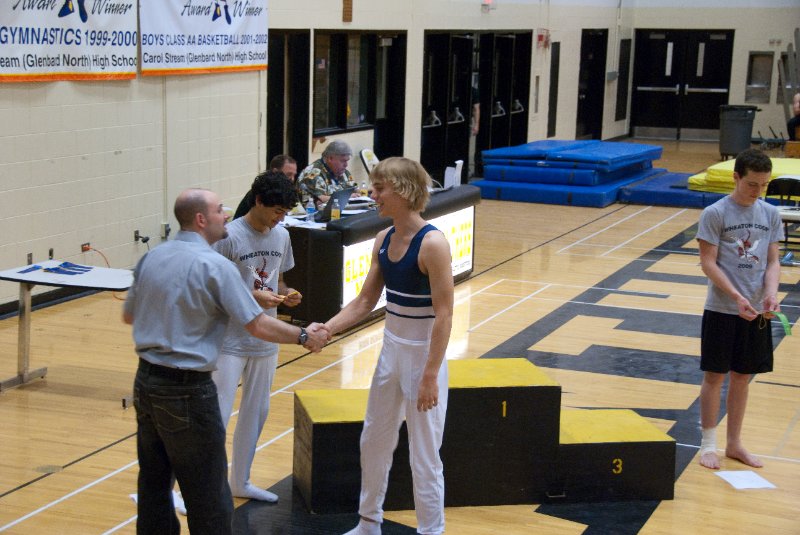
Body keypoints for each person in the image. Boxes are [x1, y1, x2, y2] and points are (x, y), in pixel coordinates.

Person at [123, 188, 328, 534]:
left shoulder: (152, 257)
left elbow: (130, 315)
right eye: (220, 210)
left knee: (154, 483)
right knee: (210, 493)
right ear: (201, 220)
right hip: (187, 388)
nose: (227, 214)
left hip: (146, 384)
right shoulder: (215, 265)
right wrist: (305, 336)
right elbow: (258, 323)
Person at [324, 157, 454, 535]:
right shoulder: (383, 239)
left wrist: (430, 374)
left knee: (425, 456)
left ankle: (432, 531)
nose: (372, 194)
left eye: (380, 188)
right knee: (373, 440)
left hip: (422, 358)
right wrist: (325, 329)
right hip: (390, 352)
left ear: (405, 190)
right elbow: (364, 302)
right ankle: (368, 523)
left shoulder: (433, 244)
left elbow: (445, 316)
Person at [212, 172, 301, 504]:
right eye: (277, 210)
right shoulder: (228, 237)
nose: (280, 218)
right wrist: (252, 297)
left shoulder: (281, 237)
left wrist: (287, 294)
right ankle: (206, 489)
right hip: (229, 340)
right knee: (217, 417)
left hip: (266, 339)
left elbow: (278, 284)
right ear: (259, 201)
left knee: (257, 410)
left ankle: (241, 480)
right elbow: (212, 288)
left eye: (285, 213)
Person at [696, 148, 783, 470]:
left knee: (743, 377)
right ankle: (708, 444)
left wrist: (771, 294)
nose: (758, 191)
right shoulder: (716, 213)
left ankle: (734, 444)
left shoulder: (771, 215)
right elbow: (707, 263)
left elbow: (773, 261)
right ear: (736, 178)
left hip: (756, 311)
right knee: (715, 376)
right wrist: (735, 296)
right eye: (751, 184)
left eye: (764, 185)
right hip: (722, 309)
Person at [233, 155, 298, 219]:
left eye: (294, 175)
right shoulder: (262, 192)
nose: (292, 179)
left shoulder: (287, 193)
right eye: (289, 174)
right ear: (275, 172)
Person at [298, 139, 358, 207]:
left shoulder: (343, 172)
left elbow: (355, 191)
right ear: (330, 158)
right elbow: (320, 201)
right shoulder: (314, 174)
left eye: (347, 161)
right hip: (313, 215)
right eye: (343, 161)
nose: (346, 165)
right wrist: (347, 198)